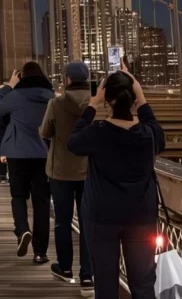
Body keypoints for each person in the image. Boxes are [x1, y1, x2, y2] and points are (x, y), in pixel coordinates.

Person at [68, 69, 165, 299]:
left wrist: (92, 105)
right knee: (143, 285)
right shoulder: (149, 134)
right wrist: (142, 98)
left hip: (101, 216)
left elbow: (73, 143)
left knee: (105, 283)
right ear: (133, 99)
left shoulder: (97, 132)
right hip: (141, 216)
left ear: (107, 100)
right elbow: (159, 135)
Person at [0, 61, 54, 263]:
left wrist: (9, 85)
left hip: (17, 154)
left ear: (22, 77)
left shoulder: (16, 95)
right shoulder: (51, 98)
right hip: (44, 155)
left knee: (18, 196)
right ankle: (40, 252)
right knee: (41, 204)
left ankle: (22, 229)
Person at [39, 61, 94, 294]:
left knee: (62, 221)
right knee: (88, 223)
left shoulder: (56, 103)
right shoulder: (96, 105)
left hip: (60, 171)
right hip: (90, 172)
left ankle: (65, 268)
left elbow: (44, 132)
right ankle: (87, 276)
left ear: (67, 80)